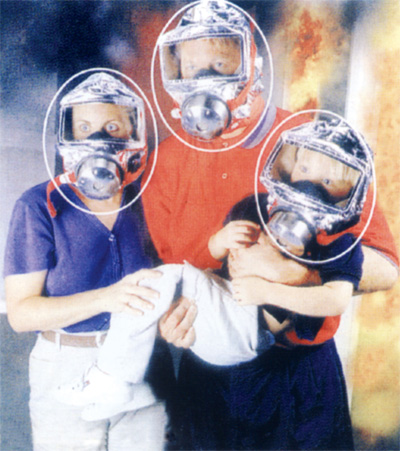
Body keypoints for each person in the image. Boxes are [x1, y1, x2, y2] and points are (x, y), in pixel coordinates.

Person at [141, 2, 399, 449]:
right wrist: (169, 318)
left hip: (300, 377)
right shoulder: (163, 163)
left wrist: (295, 274)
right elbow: (164, 270)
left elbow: (387, 267)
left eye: (221, 64)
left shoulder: (310, 145)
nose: (205, 80)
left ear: (252, 62)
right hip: (207, 372)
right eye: (192, 68)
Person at [55, 119, 371, 433]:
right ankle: (121, 381)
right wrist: (220, 242)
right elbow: (214, 262)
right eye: (303, 170)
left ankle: (113, 378)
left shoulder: (341, 244)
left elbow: (336, 300)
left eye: (327, 181)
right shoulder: (257, 207)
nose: (308, 185)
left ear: (351, 192)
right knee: (150, 285)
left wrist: (267, 291)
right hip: (221, 332)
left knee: (161, 279)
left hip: (252, 334)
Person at [3, 71, 176, 451]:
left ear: (134, 131)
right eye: (84, 127)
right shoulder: (38, 206)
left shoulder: (152, 198)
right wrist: (106, 298)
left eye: (112, 126)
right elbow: (21, 314)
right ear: (67, 135)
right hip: (67, 366)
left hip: (145, 363)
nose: (98, 138)